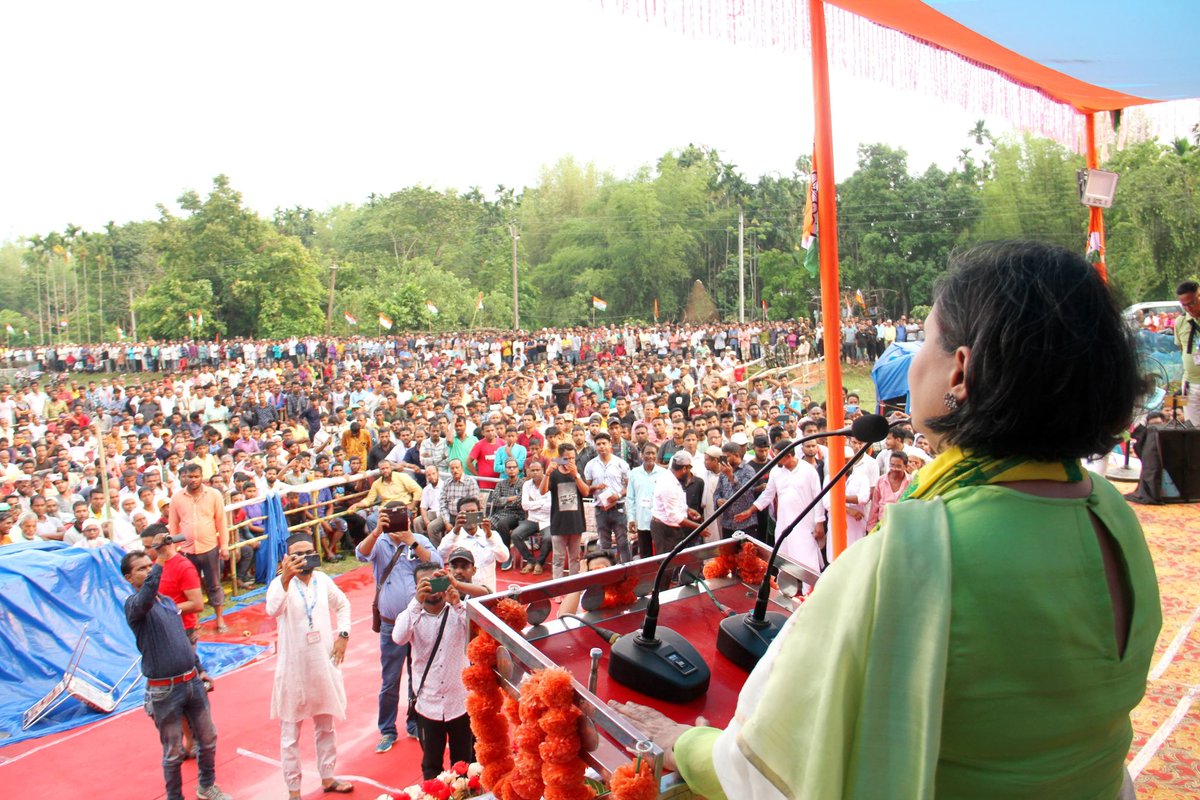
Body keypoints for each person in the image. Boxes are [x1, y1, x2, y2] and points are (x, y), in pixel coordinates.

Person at [614, 241, 1160, 799]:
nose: (911, 360)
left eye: (925, 341)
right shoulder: (1113, 514)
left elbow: (767, 770)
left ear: (961, 373)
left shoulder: (919, 555)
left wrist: (682, 744)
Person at [121, 550, 232, 800]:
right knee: (172, 751)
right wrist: (161, 560)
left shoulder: (168, 602)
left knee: (208, 736)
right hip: (164, 689)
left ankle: (206, 786)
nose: (149, 571)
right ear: (129, 577)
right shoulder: (134, 606)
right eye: (142, 569)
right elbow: (146, 594)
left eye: (150, 566)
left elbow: (182, 640)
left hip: (190, 681)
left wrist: (200, 669)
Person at [266, 533, 354, 797]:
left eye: (309, 552)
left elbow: (343, 605)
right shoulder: (279, 585)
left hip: (323, 666)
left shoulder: (322, 580)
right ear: (287, 558)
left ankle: (328, 778)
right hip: (293, 671)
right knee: (290, 735)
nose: (304, 558)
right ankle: (294, 790)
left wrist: (344, 635)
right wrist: (285, 577)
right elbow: (272, 610)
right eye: (298, 554)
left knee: (326, 727)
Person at [355, 503, 442, 752]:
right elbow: (360, 554)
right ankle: (387, 729)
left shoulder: (419, 540)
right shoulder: (379, 542)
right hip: (391, 624)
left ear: (409, 518)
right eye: (390, 518)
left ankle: (414, 722)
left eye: (400, 517)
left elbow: (436, 564)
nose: (395, 523)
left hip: (420, 622)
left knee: (419, 676)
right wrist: (377, 531)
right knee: (390, 679)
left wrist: (411, 541)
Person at [394, 560, 473, 779]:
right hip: (427, 706)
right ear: (416, 587)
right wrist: (416, 602)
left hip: (460, 704)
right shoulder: (411, 615)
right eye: (424, 583)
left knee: (464, 765)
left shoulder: (458, 611)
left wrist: (457, 602)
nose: (431, 587)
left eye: (435, 581)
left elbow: (476, 633)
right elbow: (398, 638)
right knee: (431, 766)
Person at [169, 462, 230, 632]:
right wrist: (174, 549)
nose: (193, 480)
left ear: (201, 477)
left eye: (196, 477)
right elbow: (173, 524)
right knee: (190, 587)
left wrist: (224, 545)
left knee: (214, 584)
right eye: (190, 477)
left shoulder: (214, 495)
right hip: (187, 550)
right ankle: (193, 622)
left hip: (209, 546)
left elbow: (221, 521)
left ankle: (219, 618)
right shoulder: (176, 498)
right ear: (184, 477)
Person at [541, 441, 589, 579]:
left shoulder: (577, 472)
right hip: (558, 522)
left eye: (573, 458)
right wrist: (547, 474)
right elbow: (542, 491)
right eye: (567, 458)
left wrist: (576, 476)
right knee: (558, 559)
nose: (571, 461)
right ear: (560, 458)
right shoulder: (554, 474)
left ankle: (573, 588)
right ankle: (558, 589)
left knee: (575, 558)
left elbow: (586, 492)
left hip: (576, 521)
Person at [583, 431, 632, 563]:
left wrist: (618, 495)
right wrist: (596, 487)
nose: (601, 446)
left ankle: (627, 569)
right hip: (600, 509)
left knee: (622, 542)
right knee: (604, 544)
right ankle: (607, 571)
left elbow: (629, 487)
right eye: (598, 444)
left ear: (610, 444)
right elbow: (586, 489)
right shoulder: (590, 465)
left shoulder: (621, 464)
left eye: (604, 443)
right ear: (595, 446)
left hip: (618, 508)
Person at [511, 459, 551, 574]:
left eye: (537, 470)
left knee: (548, 538)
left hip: (547, 520)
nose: (535, 472)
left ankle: (540, 563)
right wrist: (541, 502)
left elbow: (550, 506)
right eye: (532, 470)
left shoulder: (550, 482)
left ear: (543, 470)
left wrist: (533, 504)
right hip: (532, 519)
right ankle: (530, 560)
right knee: (516, 535)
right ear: (528, 471)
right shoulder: (526, 485)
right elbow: (524, 505)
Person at [1174, 279, 1200, 425]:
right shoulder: (1181, 322)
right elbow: (1182, 349)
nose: (1189, 308)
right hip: (1190, 384)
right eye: (1184, 305)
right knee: (1193, 430)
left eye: (1192, 303)